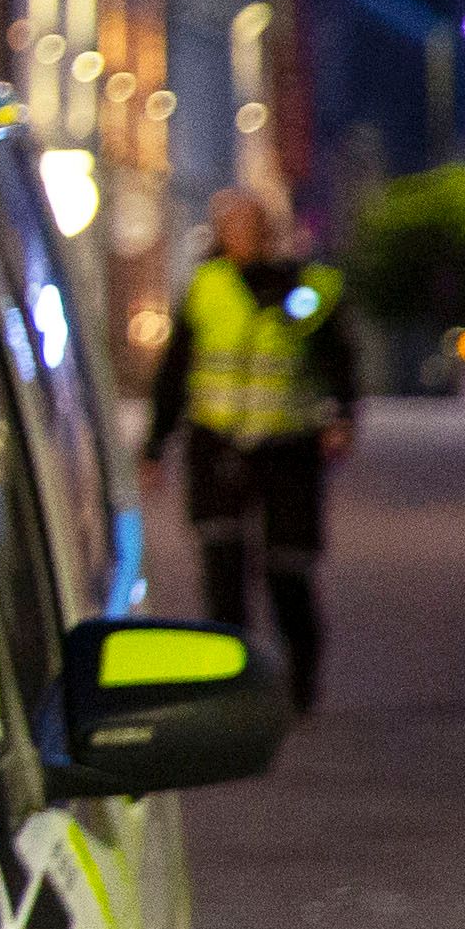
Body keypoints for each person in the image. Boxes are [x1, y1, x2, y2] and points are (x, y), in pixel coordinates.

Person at [155, 182, 361, 709]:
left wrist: (342, 417)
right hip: (218, 445)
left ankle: (300, 683)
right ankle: (232, 688)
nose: (245, 235)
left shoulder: (310, 289)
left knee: (288, 570)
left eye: (253, 224)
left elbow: (340, 359)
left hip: (289, 448)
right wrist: (155, 444)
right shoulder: (206, 286)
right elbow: (175, 368)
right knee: (223, 572)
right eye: (234, 225)